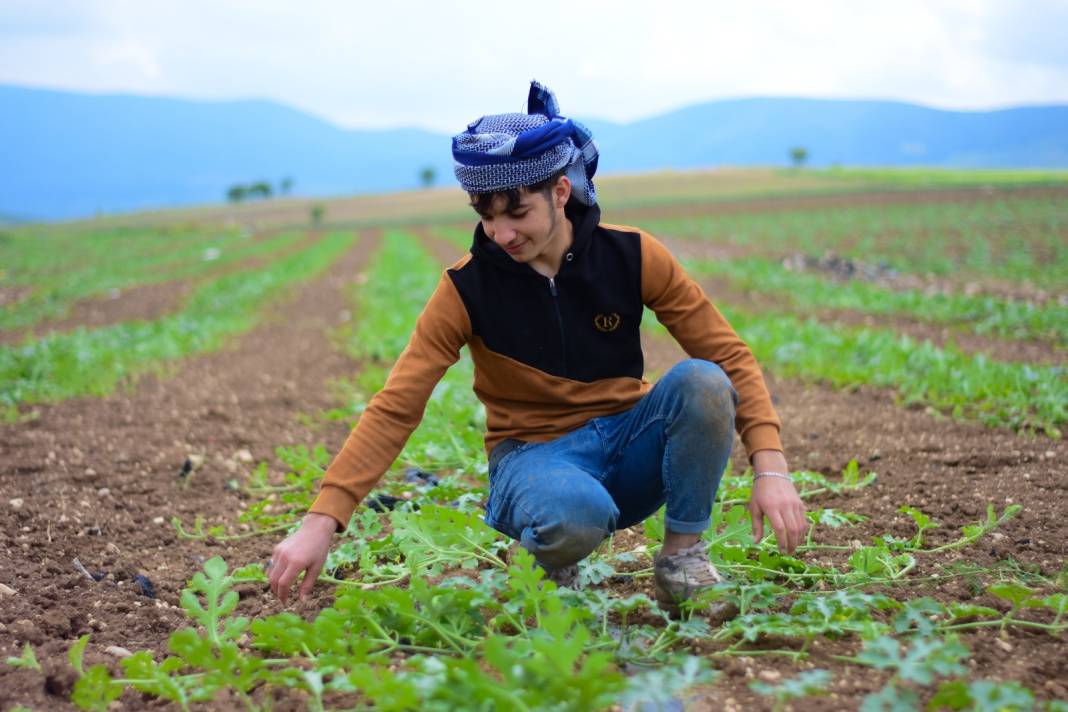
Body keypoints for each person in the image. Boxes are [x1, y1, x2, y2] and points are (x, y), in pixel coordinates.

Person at [269, 81, 807, 617]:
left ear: (560, 193)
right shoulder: (465, 289)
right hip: (532, 458)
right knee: (576, 512)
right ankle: (549, 556)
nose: (500, 233)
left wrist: (771, 468)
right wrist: (323, 520)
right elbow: (397, 404)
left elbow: (729, 356)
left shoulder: (634, 255)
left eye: (516, 212)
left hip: (628, 444)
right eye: (486, 215)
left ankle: (682, 561)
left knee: (705, 381)